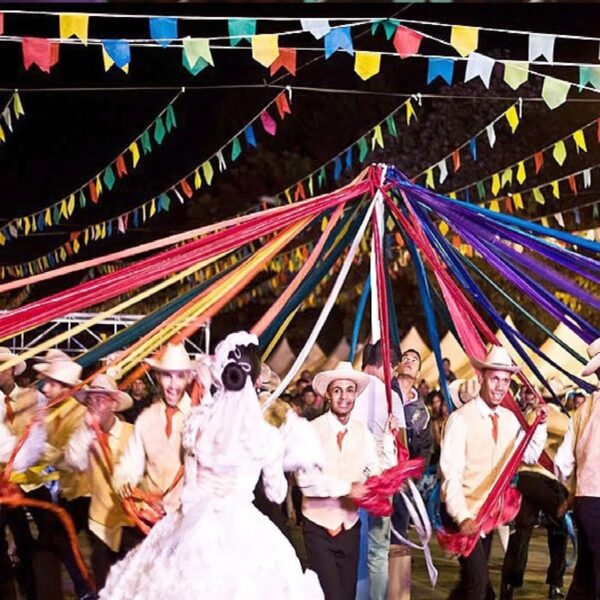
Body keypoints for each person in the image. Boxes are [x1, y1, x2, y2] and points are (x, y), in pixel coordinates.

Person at [100, 331, 323, 599]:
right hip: (242, 528)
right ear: (254, 380)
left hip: (192, 525)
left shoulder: (197, 423)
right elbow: (276, 494)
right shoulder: (267, 437)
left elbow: (191, 482)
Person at [440, 346, 548, 600]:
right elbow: (451, 475)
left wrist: (540, 425)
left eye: (505, 380)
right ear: (481, 378)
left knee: (473, 582)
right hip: (462, 513)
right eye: (494, 379)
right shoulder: (460, 420)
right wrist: (462, 516)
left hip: (488, 515)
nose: (500, 387)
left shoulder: (510, 419)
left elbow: (529, 454)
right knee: (477, 584)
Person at [297, 361, 396, 600]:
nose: (344, 397)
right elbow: (304, 479)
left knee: (347, 595)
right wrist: (347, 488)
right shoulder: (311, 430)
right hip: (317, 528)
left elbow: (378, 474)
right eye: (338, 390)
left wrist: (389, 441)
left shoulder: (363, 433)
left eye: (349, 390)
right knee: (332, 595)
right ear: (329, 395)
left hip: (350, 529)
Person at [64, 375, 143, 589]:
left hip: (131, 524)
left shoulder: (132, 433)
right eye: (91, 400)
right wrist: (88, 430)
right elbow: (74, 460)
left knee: (133, 587)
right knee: (103, 587)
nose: (94, 404)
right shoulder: (85, 436)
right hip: (100, 525)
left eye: (101, 399)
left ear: (114, 404)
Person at [500, 382, 570, 600]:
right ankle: (555, 584)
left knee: (521, 530)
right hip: (549, 481)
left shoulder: (530, 416)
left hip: (529, 480)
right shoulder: (565, 420)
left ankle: (510, 584)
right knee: (558, 530)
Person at [33, 357, 94, 600]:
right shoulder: (51, 412)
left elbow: (71, 459)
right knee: (56, 545)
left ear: (69, 390)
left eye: (53, 384)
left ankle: (87, 590)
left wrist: (39, 447)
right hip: (70, 492)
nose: (45, 388)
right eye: (46, 382)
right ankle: (85, 590)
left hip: (88, 494)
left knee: (53, 545)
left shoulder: (81, 415)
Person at [113, 343, 197, 517]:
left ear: (189, 378)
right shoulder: (146, 419)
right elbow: (131, 464)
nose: (173, 385)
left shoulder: (199, 417)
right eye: (167, 375)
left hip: (188, 519)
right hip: (149, 517)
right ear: (158, 376)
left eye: (180, 376)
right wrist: (125, 483)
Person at [352, 340, 405, 600]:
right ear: (389, 365)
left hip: (356, 480)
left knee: (359, 548)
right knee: (378, 551)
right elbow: (401, 445)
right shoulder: (392, 397)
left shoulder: (351, 390)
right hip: (383, 481)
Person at [554, 337, 600, 599]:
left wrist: (575, 490)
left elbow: (562, 462)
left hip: (585, 500)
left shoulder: (583, 410)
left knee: (585, 570)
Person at [0, 349, 46, 600]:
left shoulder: (34, 397)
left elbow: (40, 438)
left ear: (12, 370)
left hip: (30, 483)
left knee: (37, 542)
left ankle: (33, 591)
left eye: (3, 367)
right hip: (3, 488)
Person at [391, 348, 434, 597]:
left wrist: (412, 476)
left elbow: (424, 450)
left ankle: (396, 593)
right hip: (378, 476)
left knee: (399, 538)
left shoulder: (422, 412)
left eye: (414, 360)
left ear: (418, 372)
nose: (408, 361)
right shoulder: (385, 393)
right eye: (405, 358)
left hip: (404, 483)